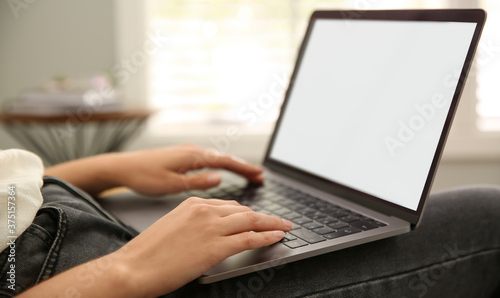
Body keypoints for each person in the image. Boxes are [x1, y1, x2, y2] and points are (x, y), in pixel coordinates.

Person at [1, 144, 499, 298]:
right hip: (88, 283)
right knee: (487, 216)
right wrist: (125, 271)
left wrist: (105, 170)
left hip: (61, 216)